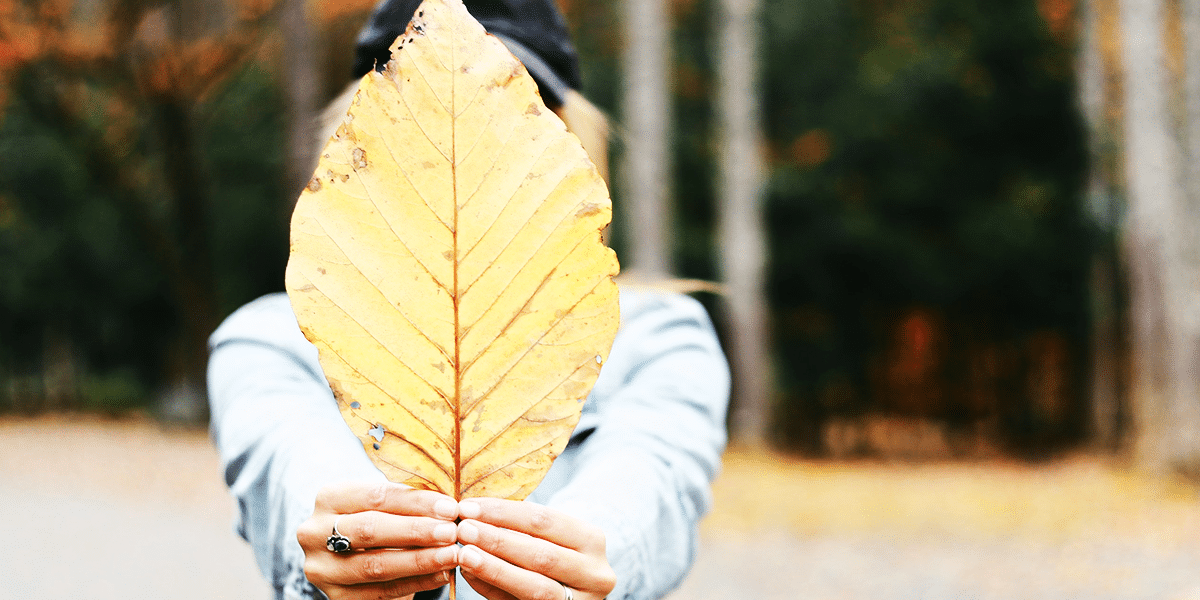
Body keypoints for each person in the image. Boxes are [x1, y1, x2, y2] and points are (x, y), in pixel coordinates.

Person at [207, 2, 730, 600]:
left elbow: (649, 486)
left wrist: (585, 564)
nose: (471, 126)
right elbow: (293, 472)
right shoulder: (270, 337)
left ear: (569, 140)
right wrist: (349, 548)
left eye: (514, 97)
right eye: (412, 100)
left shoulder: (659, 334)